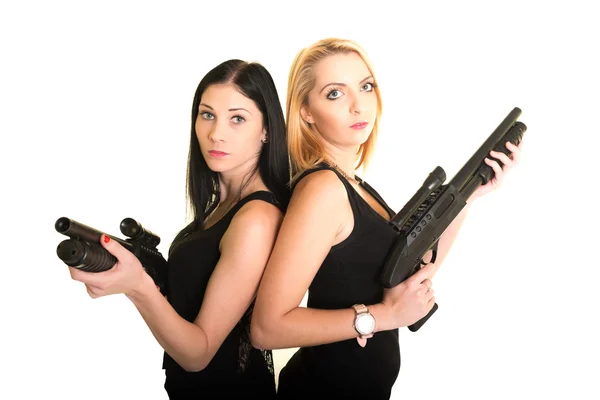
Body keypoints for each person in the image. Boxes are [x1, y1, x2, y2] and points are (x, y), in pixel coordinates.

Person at [250, 38, 523, 399]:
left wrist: (469, 196)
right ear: (306, 112)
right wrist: (384, 317)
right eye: (335, 93)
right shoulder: (323, 190)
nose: (357, 104)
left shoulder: (357, 187)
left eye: (365, 87)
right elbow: (267, 329)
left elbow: (410, 271)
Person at [68, 59, 291, 399]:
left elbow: (198, 353)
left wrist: (138, 287)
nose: (216, 132)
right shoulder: (223, 208)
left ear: (266, 130)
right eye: (207, 114)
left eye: (237, 118)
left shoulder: (255, 219)